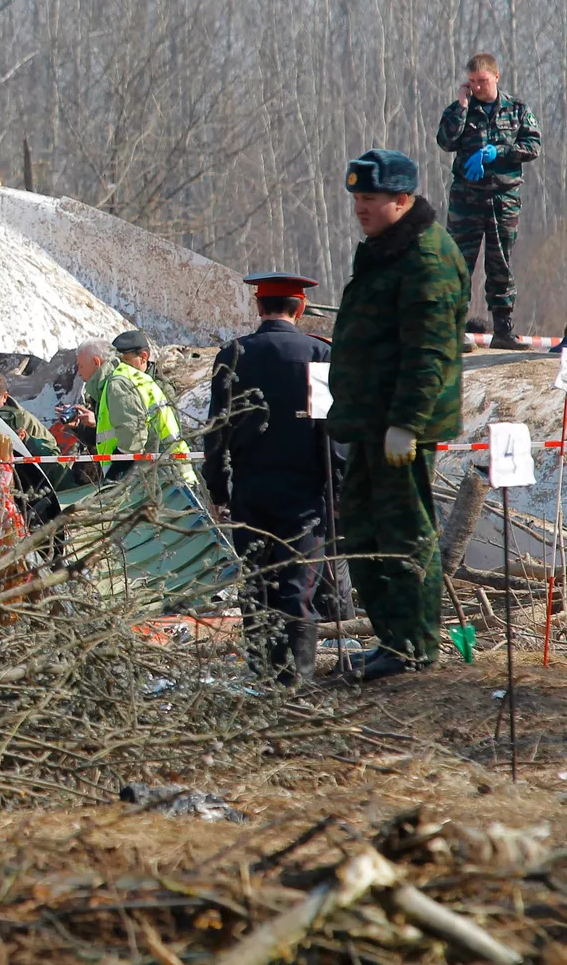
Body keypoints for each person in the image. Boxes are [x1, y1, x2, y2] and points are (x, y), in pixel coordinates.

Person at [327, 149, 468, 682]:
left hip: (399, 426)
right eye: (357, 198)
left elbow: (429, 351)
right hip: (370, 420)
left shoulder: (427, 257)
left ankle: (411, 646)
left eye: (370, 198)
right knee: (362, 530)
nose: (360, 208)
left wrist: (407, 422)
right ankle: (391, 639)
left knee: (404, 533)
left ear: (402, 200)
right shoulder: (388, 248)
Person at [204, 273, 333, 685]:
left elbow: (217, 429)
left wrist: (217, 487)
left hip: (250, 489)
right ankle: (298, 680)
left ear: (259, 308)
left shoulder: (234, 354)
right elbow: (331, 430)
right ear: (300, 308)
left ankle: (262, 675)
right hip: (305, 492)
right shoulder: (318, 353)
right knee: (298, 585)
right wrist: (337, 490)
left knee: (256, 584)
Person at [436, 53, 540, 350]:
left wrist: (500, 152)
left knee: (500, 265)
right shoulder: (462, 109)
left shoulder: (516, 109)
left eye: (482, 81)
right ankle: (452, 330)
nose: (477, 87)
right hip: (466, 201)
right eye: (471, 82)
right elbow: (445, 141)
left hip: (503, 200)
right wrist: (461, 106)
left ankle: (503, 330)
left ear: (496, 77)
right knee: (457, 265)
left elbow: (533, 145)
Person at [72, 337, 194, 487]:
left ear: (96, 362)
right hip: (168, 473)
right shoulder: (128, 376)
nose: (78, 373)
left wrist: (113, 477)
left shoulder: (117, 384)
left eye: (81, 366)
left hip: (159, 481)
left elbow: (132, 438)